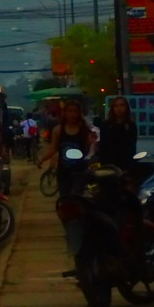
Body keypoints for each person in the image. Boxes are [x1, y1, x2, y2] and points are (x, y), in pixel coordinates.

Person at [42, 98, 99, 265]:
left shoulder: (85, 130)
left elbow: (89, 150)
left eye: (75, 111)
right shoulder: (58, 130)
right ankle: (69, 228)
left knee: (77, 199)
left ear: (79, 113)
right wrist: (43, 160)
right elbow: (53, 148)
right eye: (69, 111)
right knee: (64, 202)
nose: (72, 114)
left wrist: (91, 143)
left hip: (79, 172)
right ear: (64, 113)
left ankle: (79, 229)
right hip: (64, 172)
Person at [96, 96, 138, 172]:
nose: (119, 109)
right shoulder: (106, 125)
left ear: (126, 108)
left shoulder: (131, 125)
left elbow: (132, 146)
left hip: (126, 164)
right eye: (116, 106)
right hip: (108, 164)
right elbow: (103, 145)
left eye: (122, 105)